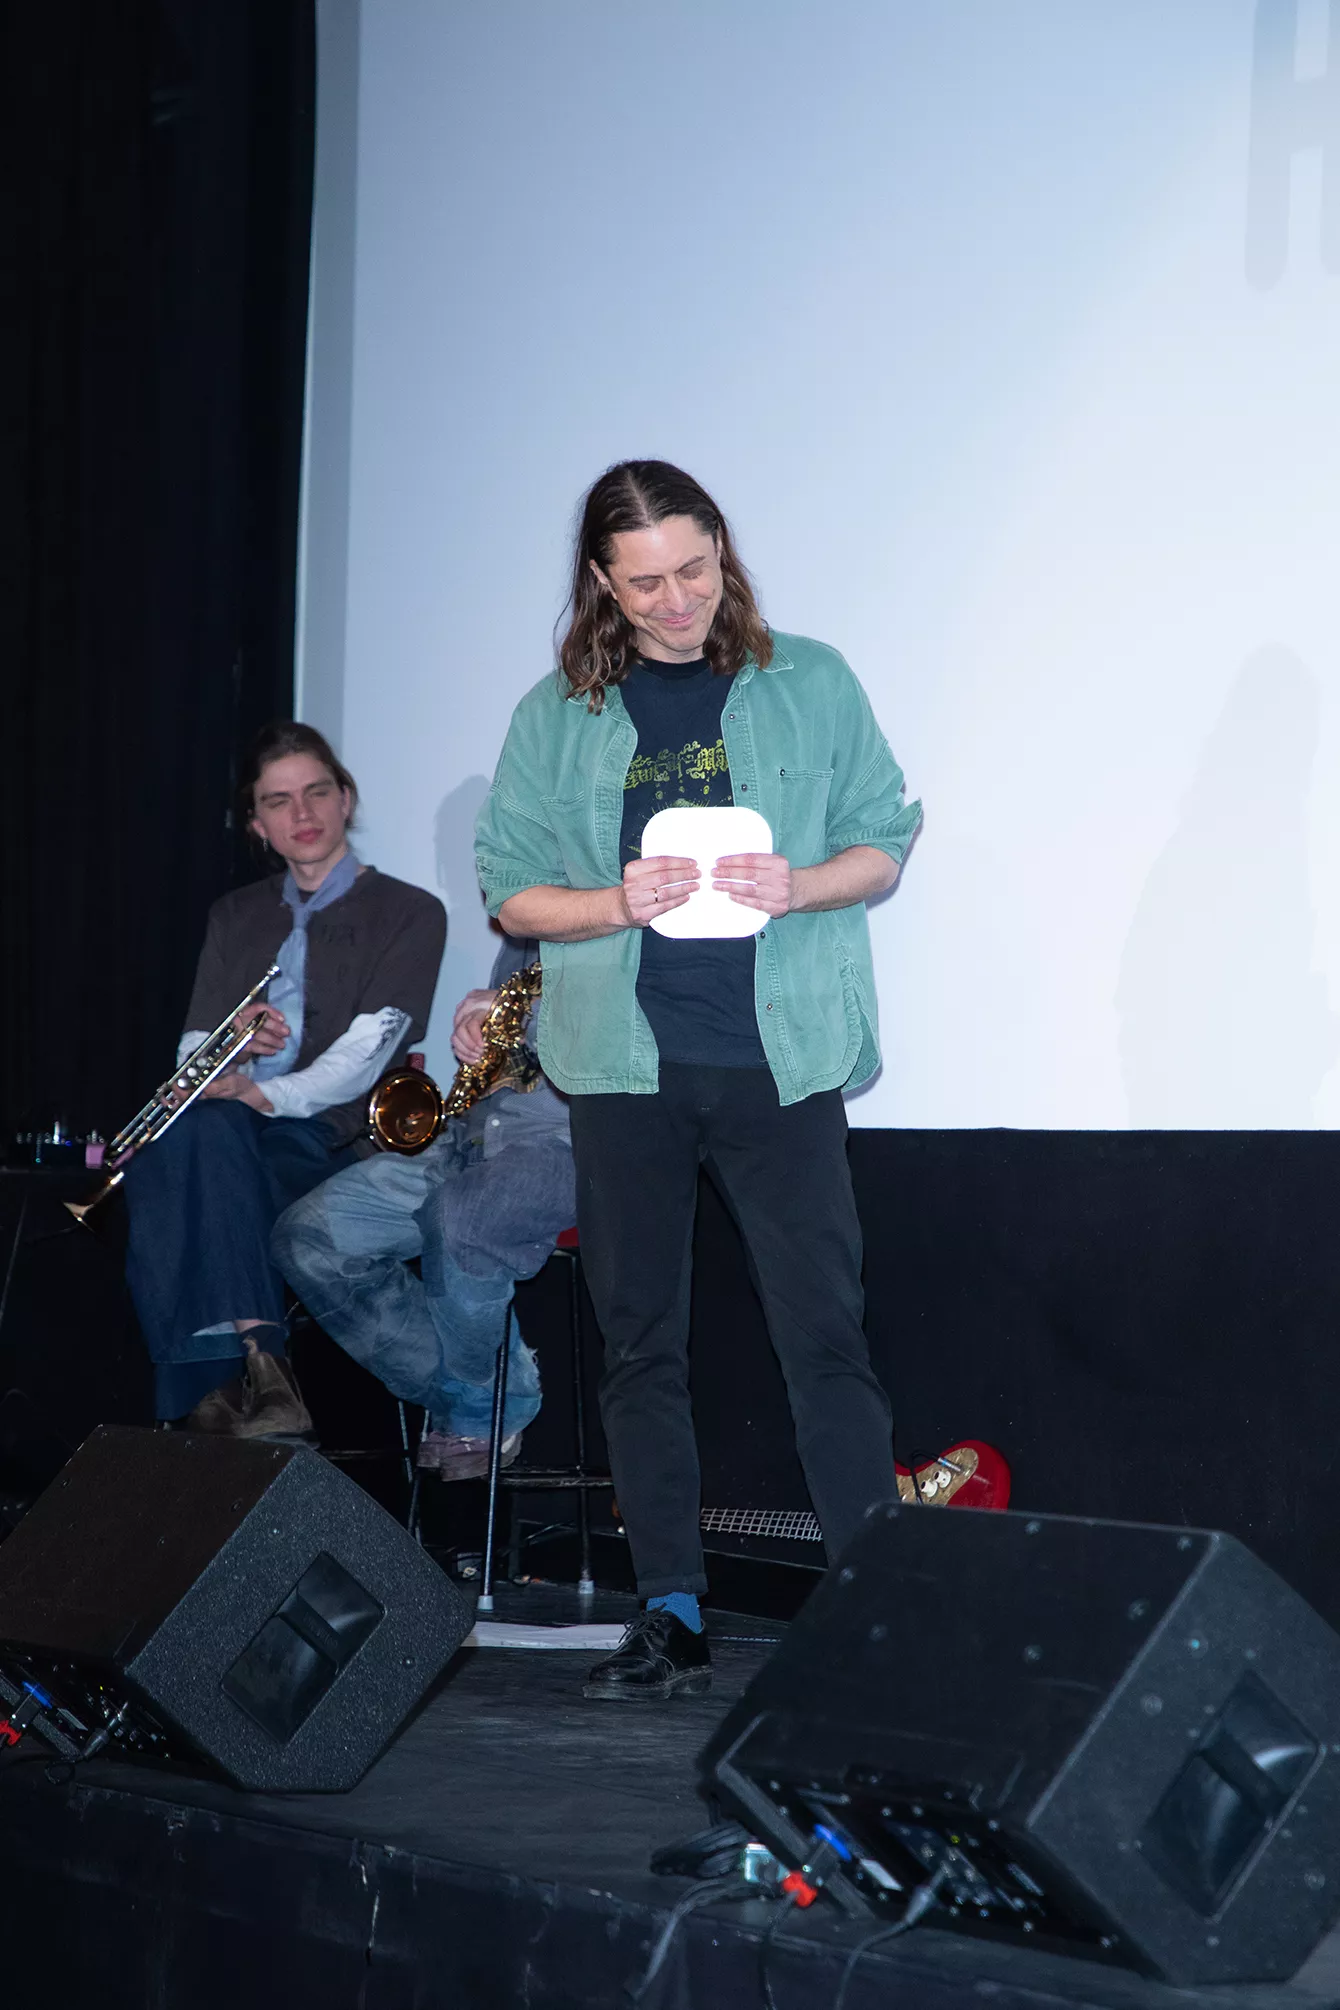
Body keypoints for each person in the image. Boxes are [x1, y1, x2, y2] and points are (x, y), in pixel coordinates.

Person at [475, 460, 922, 1701]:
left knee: (824, 1338)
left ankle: (874, 1608)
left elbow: (884, 838)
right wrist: (613, 902)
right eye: (643, 584)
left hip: (781, 1061)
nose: (675, 602)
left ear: (721, 549)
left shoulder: (809, 680)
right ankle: (669, 1609)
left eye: (692, 570)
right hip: (624, 1068)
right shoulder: (554, 716)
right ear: (600, 584)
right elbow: (509, 888)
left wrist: (804, 883)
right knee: (639, 1347)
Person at [123, 721, 445, 1438]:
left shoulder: (411, 912)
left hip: (329, 1138)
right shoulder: (233, 914)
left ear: (346, 799)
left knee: (185, 1155)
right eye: (278, 801)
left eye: (316, 792)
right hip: (230, 1132)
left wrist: (262, 1092)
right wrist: (231, 1051)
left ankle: (207, 1394)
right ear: (257, 824)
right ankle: (264, 1365)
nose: (302, 813)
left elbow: (366, 1055)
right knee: (185, 1139)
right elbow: (194, 1050)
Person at [270, 934, 575, 1479]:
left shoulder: (627, 921)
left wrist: (512, 1009)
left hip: (567, 1143)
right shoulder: (524, 931)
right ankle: (493, 1392)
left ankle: (479, 1410)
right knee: (306, 1235)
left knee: (460, 1219)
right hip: (470, 1137)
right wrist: (475, 1031)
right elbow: (511, 1051)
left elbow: (620, 1032)